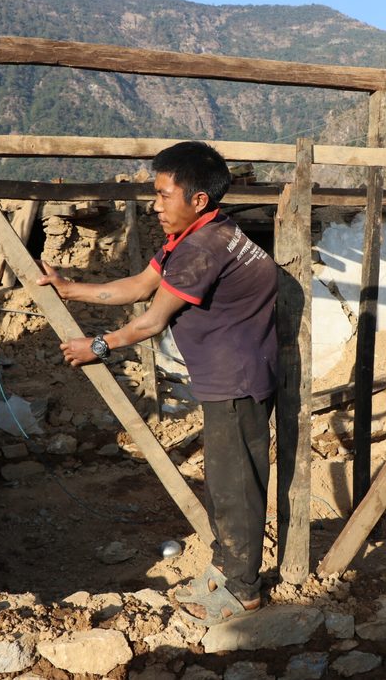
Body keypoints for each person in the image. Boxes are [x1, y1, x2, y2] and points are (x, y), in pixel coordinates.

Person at [36, 141, 278, 625]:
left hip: (235, 383)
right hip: (235, 377)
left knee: (236, 488)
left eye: (165, 194)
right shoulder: (204, 233)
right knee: (227, 482)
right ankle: (228, 566)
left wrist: (97, 346)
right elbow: (140, 285)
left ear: (198, 200)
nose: (155, 203)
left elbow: (149, 321)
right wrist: (71, 288)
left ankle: (245, 591)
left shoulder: (202, 249)